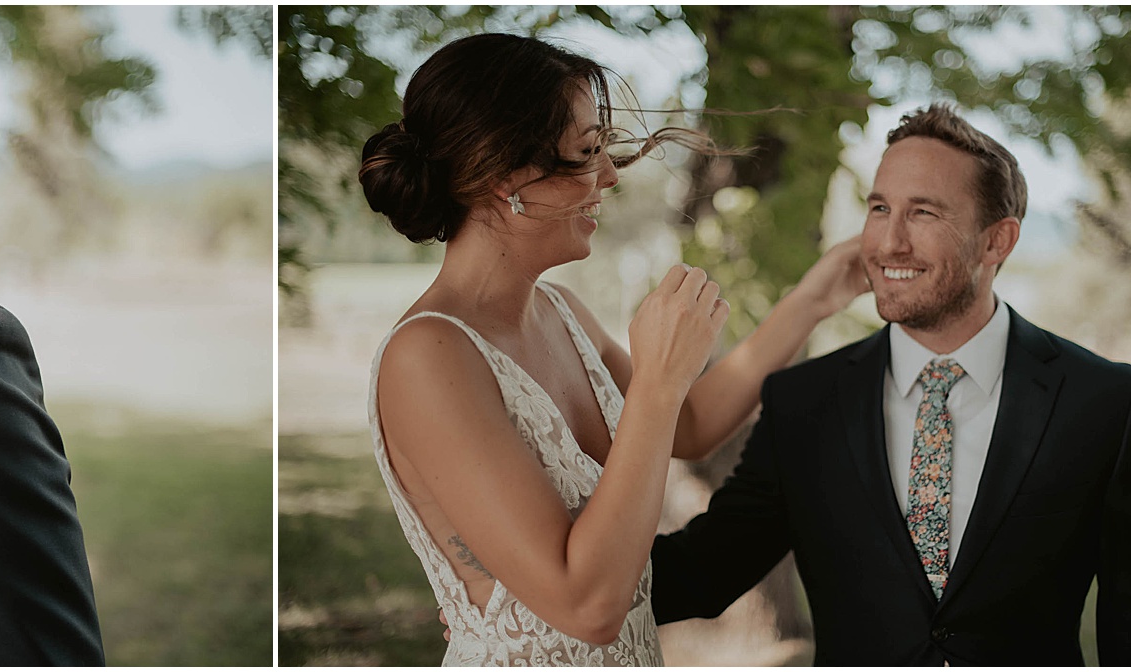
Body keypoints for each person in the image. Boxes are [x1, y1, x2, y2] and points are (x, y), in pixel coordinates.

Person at [362, 33, 867, 666]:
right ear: (502, 175)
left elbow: (689, 425)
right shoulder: (429, 356)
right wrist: (658, 379)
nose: (608, 177)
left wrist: (814, 299)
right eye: (586, 152)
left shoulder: (562, 313)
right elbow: (588, 607)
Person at [648, 104, 1131, 665]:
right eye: (879, 208)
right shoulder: (805, 404)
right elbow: (695, 577)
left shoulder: (1103, 402)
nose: (889, 243)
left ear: (997, 242)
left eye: (924, 213)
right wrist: (556, 561)